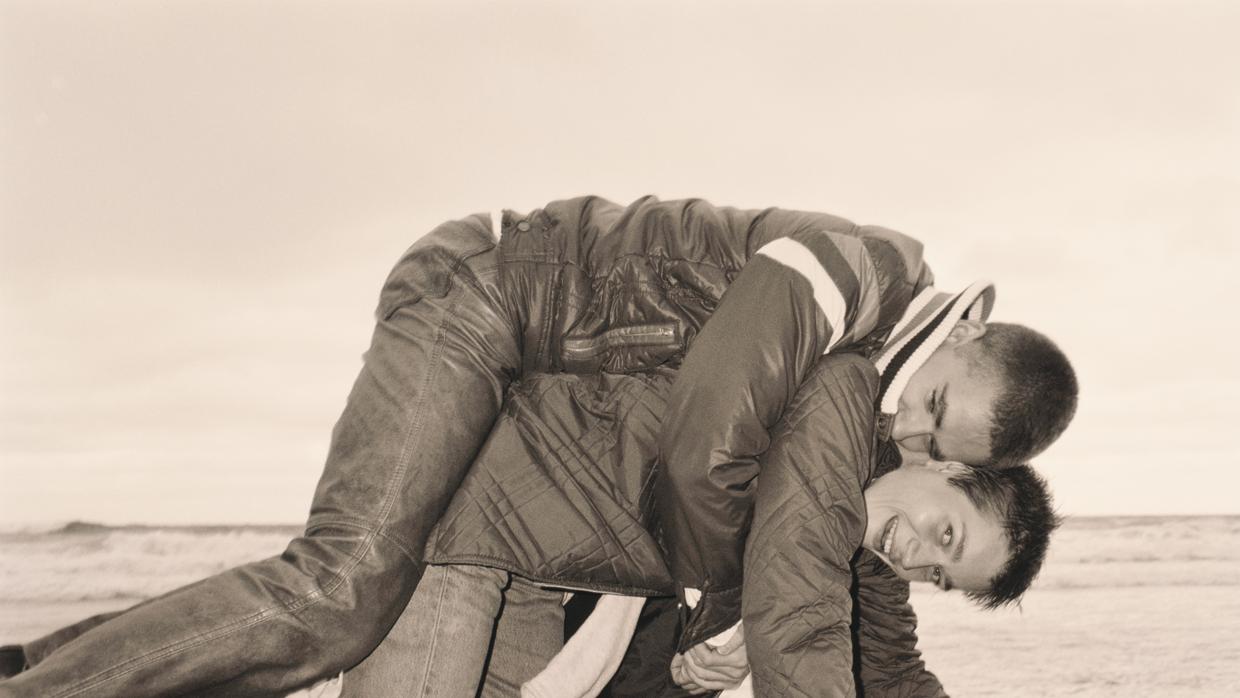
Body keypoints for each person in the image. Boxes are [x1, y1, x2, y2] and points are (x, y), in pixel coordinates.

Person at [0, 196, 1076, 697]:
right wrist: (722, 601)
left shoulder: (866, 441)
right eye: (930, 413)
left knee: (328, 613)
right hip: (490, 292)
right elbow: (709, 433)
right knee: (340, 591)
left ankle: (50, 661)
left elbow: (875, 652)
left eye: (936, 569)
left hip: (524, 448)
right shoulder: (854, 288)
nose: (907, 421)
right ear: (970, 324)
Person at [337, 354, 1060, 697]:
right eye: (946, 537)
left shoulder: (861, 554)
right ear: (948, 466)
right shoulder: (818, 414)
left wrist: (685, 681)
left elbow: (893, 676)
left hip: (545, 589)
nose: (916, 558)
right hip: (478, 511)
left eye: (936, 573)